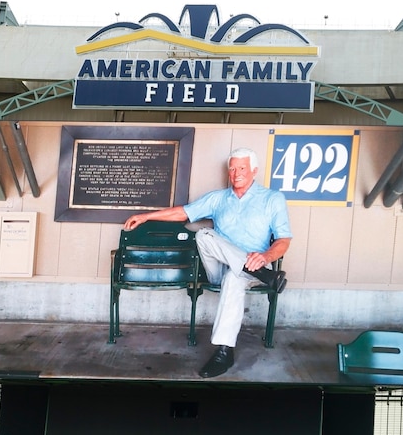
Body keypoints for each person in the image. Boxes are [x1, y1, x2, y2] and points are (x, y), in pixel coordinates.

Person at [123, 147, 291, 378]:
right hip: (221, 270)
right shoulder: (218, 199)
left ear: (254, 170)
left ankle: (224, 352)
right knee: (203, 234)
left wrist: (266, 257)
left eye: (242, 168)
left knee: (235, 276)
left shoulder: (272, 199)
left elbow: (283, 239)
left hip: (253, 268)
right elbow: (183, 213)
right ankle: (266, 275)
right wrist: (146, 216)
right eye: (232, 168)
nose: (236, 173)